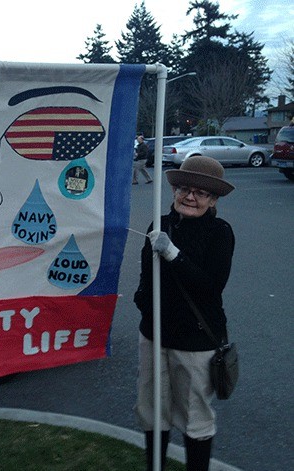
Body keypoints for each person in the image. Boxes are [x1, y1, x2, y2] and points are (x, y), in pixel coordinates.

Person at [133, 156, 235, 471]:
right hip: (155, 335)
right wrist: (145, 306)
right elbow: (145, 280)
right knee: (153, 412)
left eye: (201, 193)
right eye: (184, 189)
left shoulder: (220, 232)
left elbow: (210, 287)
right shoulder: (159, 224)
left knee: (195, 418)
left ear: (213, 199)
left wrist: (172, 253)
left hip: (196, 341)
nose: (190, 197)